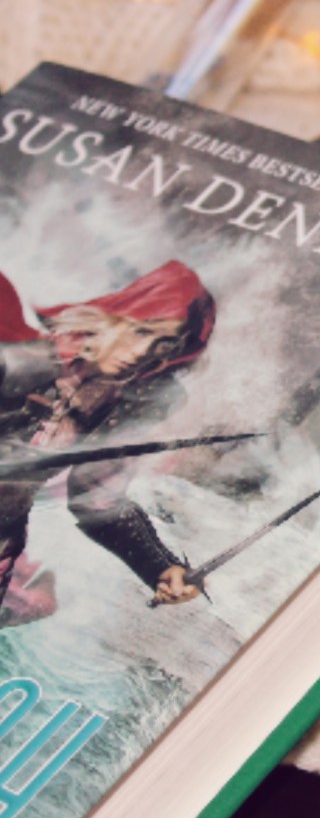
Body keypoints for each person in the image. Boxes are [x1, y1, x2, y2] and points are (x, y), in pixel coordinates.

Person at [0, 259, 216, 622]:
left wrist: (161, 567)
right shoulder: (21, 353)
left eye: (163, 345)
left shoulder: (121, 402)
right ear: (116, 316)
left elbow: (97, 497)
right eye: (141, 331)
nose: (141, 352)